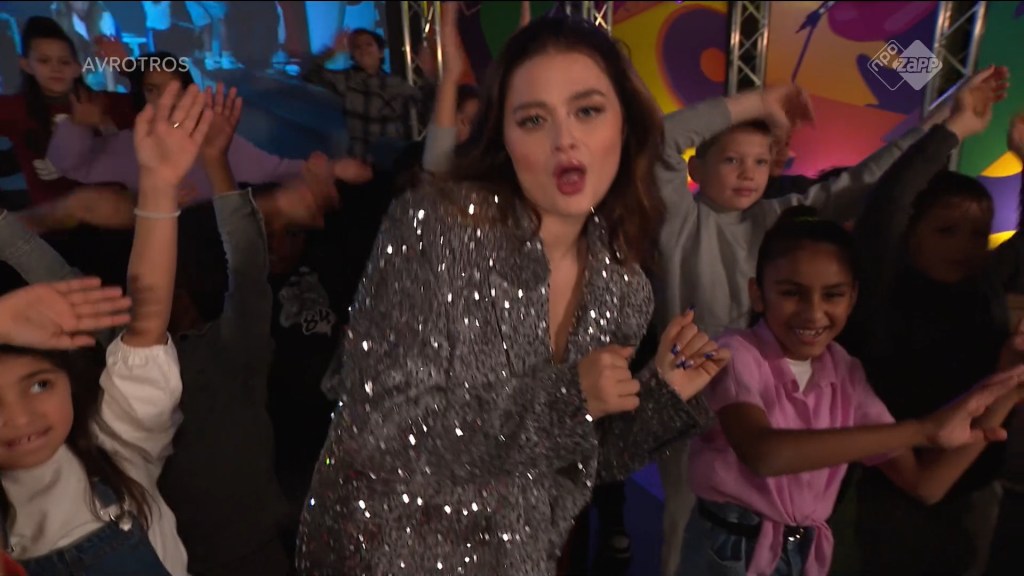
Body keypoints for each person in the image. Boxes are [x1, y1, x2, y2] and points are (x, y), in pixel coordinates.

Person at [296, 15, 727, 574]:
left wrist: (661, 395)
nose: (564, 139)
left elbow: (575, 460)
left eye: (588, 111)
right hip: (387, 555)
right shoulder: (441, 227)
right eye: (533, 119)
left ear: (624, 126)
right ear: (504, 137)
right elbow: (380, 433)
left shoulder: (623, 285)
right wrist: (570, 397)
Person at [676, 207, 1024, 576]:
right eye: (792, 293)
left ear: (852, 298)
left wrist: (1009, 383)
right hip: (730, 550)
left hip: (802, 553)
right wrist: (922, 430)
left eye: (833, 295)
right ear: (758, 294)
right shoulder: (735, 353)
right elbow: (764, 453)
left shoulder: (844, 371)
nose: (814, 313)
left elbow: (926, 484)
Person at [0, 77, 213, 575]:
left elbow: (145, 325)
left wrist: (157, 187)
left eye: (39, 384)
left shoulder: (118, 446)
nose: (19, 416)